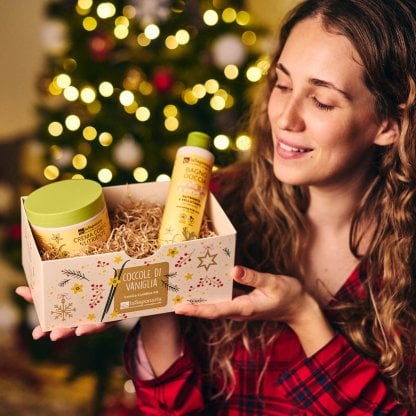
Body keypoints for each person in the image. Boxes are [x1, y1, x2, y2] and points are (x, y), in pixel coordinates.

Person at [17, 0, 416, 413]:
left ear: (389, 124)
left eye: (322, 101)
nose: (285, 118)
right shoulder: (212, 204)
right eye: (282, 85)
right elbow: (169, 408)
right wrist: (150, 290)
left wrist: (303, 315)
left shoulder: (404, 261)